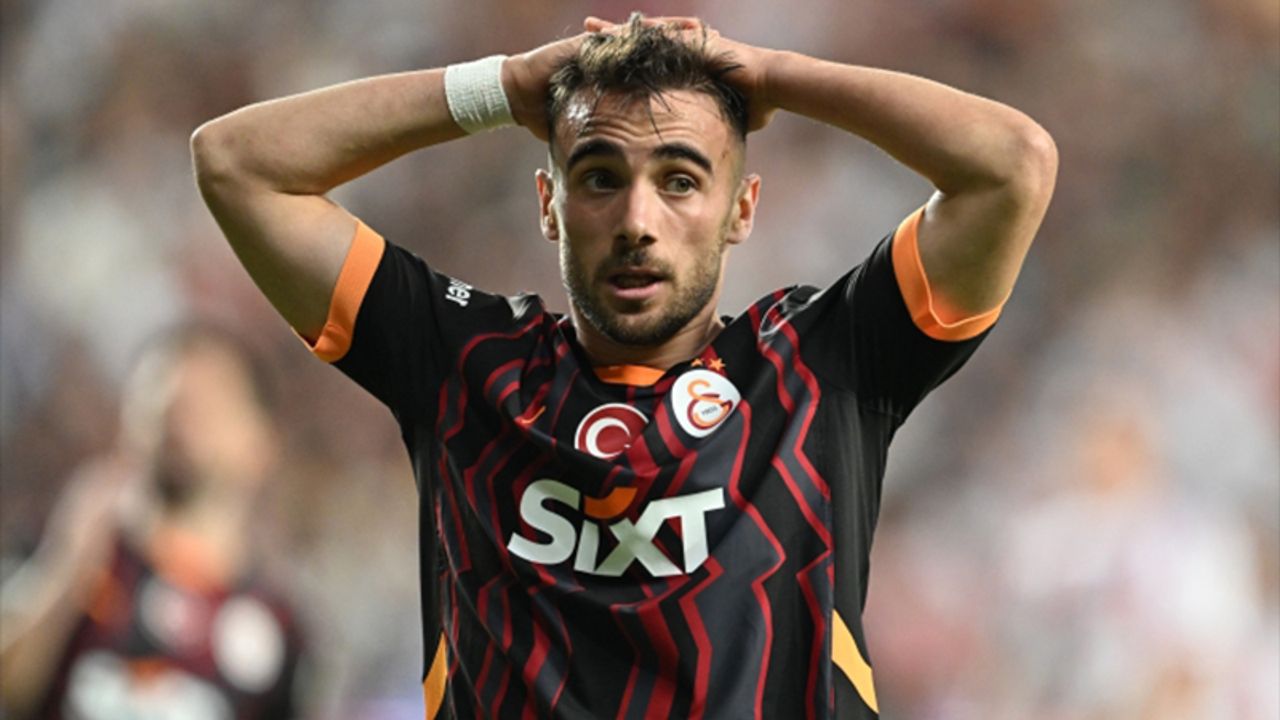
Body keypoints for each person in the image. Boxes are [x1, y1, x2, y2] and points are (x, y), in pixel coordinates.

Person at [190, 13, 1055, 719]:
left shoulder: (819, 365)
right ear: (549, 205)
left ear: (741, 209)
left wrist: (775, 75)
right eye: (601, 178)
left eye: (680, 181)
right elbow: (238, 163)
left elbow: (1012, 166)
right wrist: (501, 87)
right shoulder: (466, 368)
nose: (638, 221)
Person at [0, 326, 307, 719]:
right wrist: (67, 566)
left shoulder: (280, 626)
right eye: (165, 399)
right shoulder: (56, 547)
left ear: (261, 443)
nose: (182, 420)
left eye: (208, 405)